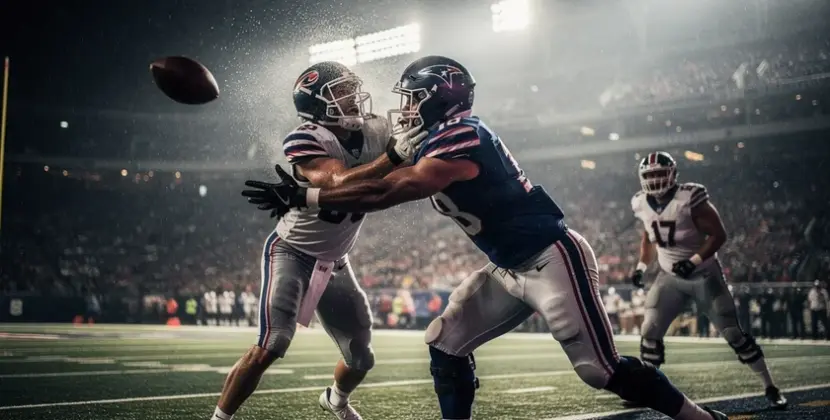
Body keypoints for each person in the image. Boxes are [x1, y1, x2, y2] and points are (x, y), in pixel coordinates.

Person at [243, 55, 729, 420]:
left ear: (436, 98)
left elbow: (392, 191)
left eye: (412, 98)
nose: (403, 108)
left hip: (548, 258)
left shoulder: (462, 133)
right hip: (506, 266)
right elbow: (375, 179)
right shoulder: (438, 135)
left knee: (599, 372)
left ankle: (701, 418)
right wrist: (319, 189)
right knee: (444, 341)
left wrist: (305, 200)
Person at [210, 61, 426, 420]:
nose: (352, 96)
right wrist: (393, 156)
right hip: (293, 252)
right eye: (340, 91)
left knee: (361, 357)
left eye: (350, 87)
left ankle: (336, 401)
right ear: (315, 105)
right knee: (271, 345)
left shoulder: (375, 129)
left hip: (336, 261)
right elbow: (339, 182)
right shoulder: (306, 138)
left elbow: (404, 167)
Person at [628, 151, 786, 409]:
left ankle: (770, 386)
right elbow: (648, 236)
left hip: (703, 275)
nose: (655, 179)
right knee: (649, 331)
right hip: (669, 276)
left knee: (734, 333)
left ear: (673, 174)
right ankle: (648, 389)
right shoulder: (640, 203)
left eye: (660, 173)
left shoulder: (689, 197)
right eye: (650, 175)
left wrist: (693, 262)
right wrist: (641, 266)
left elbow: (719, 235)